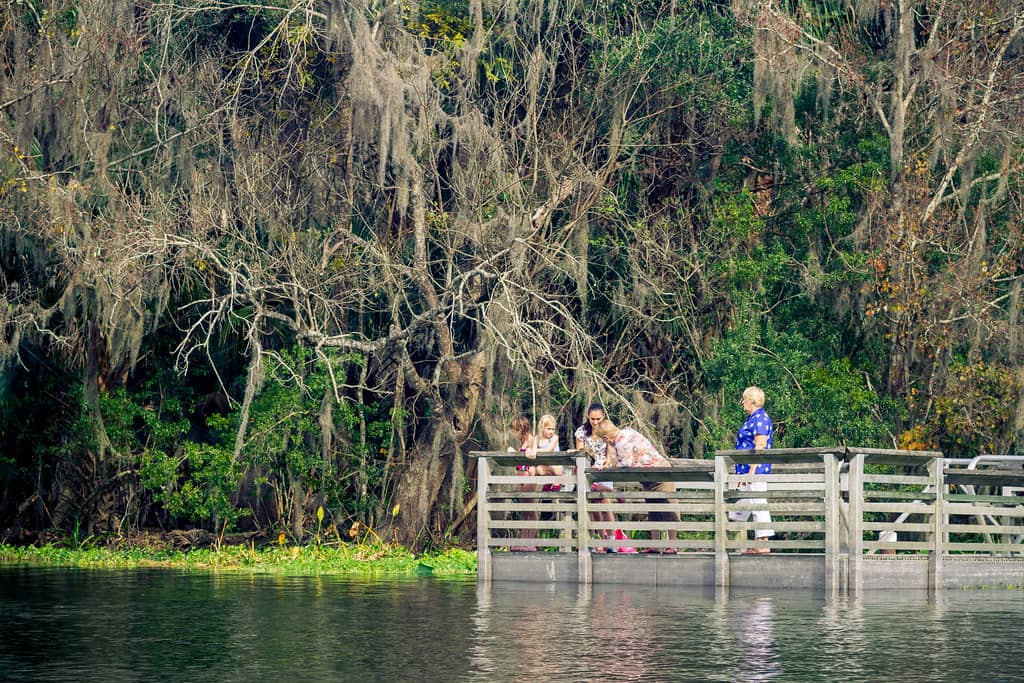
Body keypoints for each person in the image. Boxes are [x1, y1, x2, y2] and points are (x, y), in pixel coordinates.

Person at [593, 419, 680, 552]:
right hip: (647, 476)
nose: (607, 443)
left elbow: (626, 464)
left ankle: (673, 545)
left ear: (606, 437)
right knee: (653, 510)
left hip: (659, 471)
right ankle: (655, 546)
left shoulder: (622, 440)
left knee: (669, 506)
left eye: (604, 441)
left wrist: (612, 469)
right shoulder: (624, 433)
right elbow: (617, 461)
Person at [730, 386, 775, 554]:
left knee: (758, 504)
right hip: (746, 470)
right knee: (742, 507)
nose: (742, 402)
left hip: (756, 470)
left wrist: (751, 472)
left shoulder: (760, 418)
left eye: (744, 399)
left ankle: (762, 543)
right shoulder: (752, 419)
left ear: (753, 401)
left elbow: (760, 445)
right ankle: (754, 539)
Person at [575, 403, 624, 553]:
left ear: (603, 417)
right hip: (588, 470)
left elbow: (611, 450)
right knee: (590, 506)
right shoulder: (582, 431)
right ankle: (595, 540)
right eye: (592, 419)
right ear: (588, 417)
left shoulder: (607, 428)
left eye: (598, 418)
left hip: (604, 470)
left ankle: (611, 541)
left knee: (605, 504)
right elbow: (580, 451)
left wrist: (608, 461)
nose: (595, 422)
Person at [507, 415, 538, 551]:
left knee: (530, 510)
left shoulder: (531, 440)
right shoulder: (522, 443)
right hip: (521, 477)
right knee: (524, 511)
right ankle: (523, 540)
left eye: (515, 430)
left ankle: (531, 542)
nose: (514, 433)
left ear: (521, 429)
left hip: (528, 477)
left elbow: (534, 458)